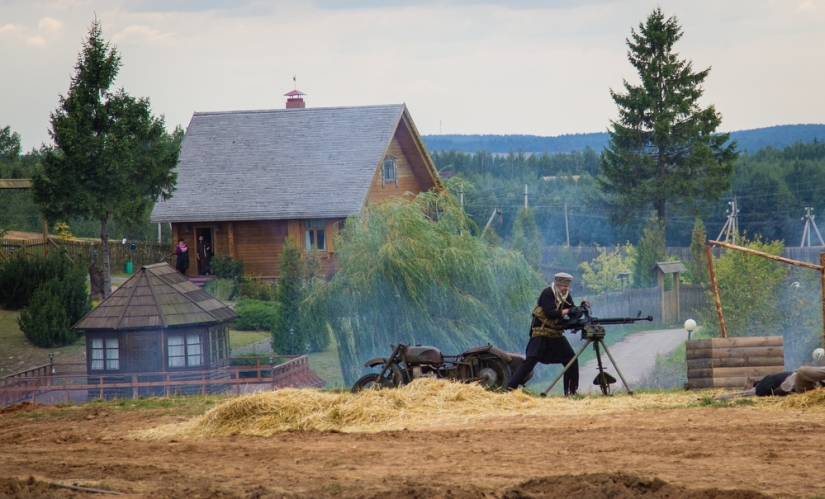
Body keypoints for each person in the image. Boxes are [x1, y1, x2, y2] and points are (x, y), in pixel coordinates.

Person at [507, 272, 583, 396]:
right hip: (541, 333)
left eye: (568, 286)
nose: (566, 289)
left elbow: (571, 310)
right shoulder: (547, 293)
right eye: (564, 286)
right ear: (558, 285)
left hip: (555, 334)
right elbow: (550, 313)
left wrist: (580, 309)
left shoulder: (565, 296)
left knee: (571, 360)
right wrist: (569, 310)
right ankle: (510, 387)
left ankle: (571, 393)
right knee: (530, 361)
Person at [714, 365, 825, 400]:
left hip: (807, 383)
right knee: (802, 371)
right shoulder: (762, 388)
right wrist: (717, 398)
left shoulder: (765, 383)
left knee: (803, 371)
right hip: (803, 385)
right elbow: (739, 394)